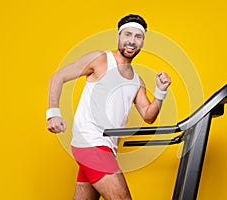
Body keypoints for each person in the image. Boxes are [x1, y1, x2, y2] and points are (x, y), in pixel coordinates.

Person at [46, 14, 171, 200]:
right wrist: (53, 113)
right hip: (90, 142)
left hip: (108, 147)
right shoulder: (100, 60)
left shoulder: (137, 81)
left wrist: (160, 92)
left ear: (143, 43)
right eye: (127, 35)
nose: (132, 41)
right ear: (118, 37)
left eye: (138, 37)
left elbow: (148, 115)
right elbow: (58, 77)